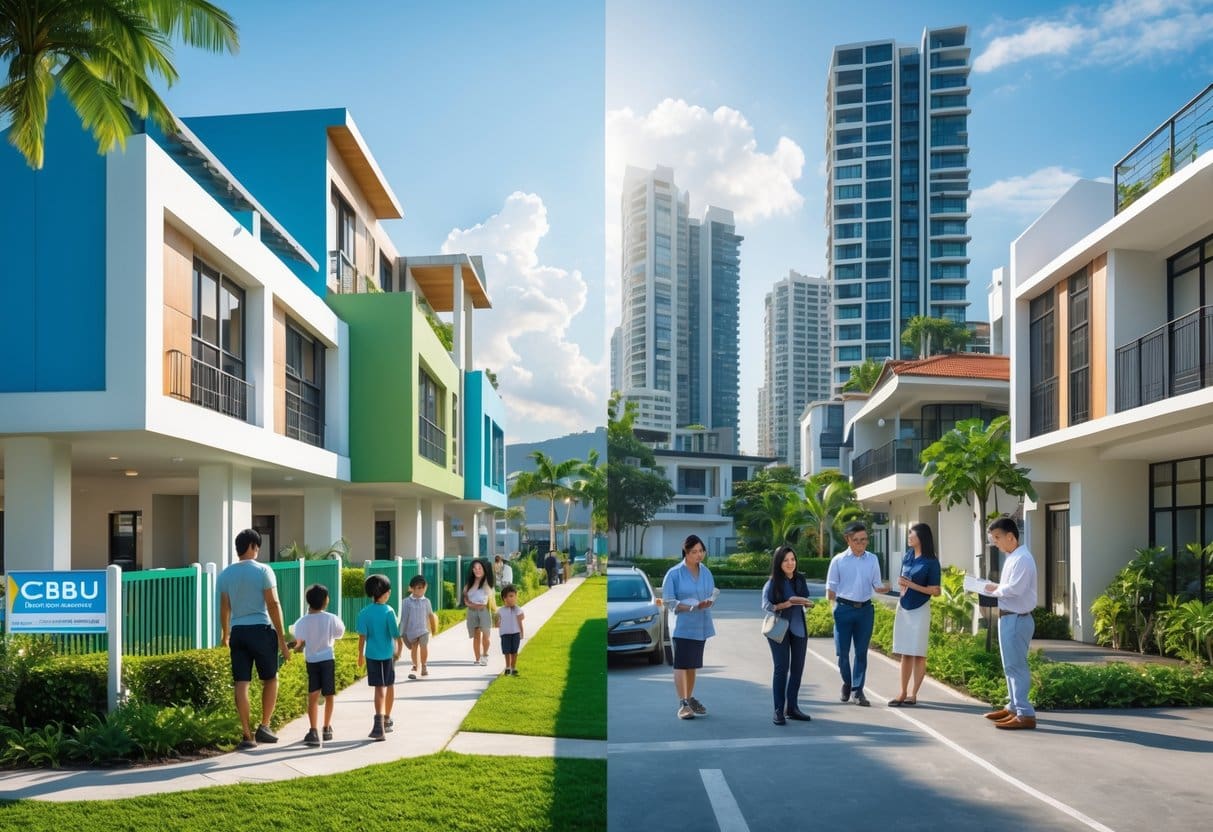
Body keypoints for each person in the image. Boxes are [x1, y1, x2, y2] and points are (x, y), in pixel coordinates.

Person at [218, 528, 291, 750]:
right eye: (257, 546)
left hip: (238, 632)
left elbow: (225, 608)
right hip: (261, 629)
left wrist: (225, 634)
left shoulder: (225, 574)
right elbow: (273, 604)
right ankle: (265, 726)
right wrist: (281, 637)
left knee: (242, 683)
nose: (258, 550)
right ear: (252, 546)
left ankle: (247, 735)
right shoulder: (263, 570)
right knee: (270, 678)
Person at [825, 521, 890, 707]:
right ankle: (847, 682)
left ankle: (858, 690)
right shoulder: (838, 560)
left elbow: (877, 585)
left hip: (865, 610)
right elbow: (831, 588)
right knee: (842, 653)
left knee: (861, 653)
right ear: (848, 540)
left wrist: (887, 588)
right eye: (857, 540)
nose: (862, 544)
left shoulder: (872, 559)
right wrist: (833, 609)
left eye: (864, 540)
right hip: (843, 610)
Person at [983, 517, 1039, 730]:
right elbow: (1009, 587)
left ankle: (1025, 713)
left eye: (997, 538)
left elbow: (1015, 589)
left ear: (1011, 536)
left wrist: (991, 590)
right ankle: (1013, 707)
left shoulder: (1022, 558)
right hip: (1009, 617)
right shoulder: (1014, 557)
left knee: (1017, 666)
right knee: (1010, 666)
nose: (995, 542)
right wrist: (994, 587)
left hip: (1017, 617)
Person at [660, 534, 717, 720]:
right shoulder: (674, 573)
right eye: (694, 552)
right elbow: (669, 601)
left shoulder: (706, 572)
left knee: (692, 665)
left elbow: (711, 594)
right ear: (686, 552)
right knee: (681, 664)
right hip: (681, 626)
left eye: (701, 551)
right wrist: (691, 606)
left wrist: (708, 602)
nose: (699, 555)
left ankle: (689, 698)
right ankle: (682, 704)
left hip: (700, 625)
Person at [888, 523, 942, 707]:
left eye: (912, 534)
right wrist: (902, 584)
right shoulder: (908, 556)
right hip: (903, 606)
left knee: (918, 653)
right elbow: (905, 579)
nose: (909, 536)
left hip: (920, 609)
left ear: (921, 538)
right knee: (905, 652)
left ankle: (913, 694)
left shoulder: (931, 562)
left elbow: (936, 591)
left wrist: (912, 585)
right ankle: (902, 692)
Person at [761, 545, 815, 725]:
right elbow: (766, 605)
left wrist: (807, 603)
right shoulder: (773, 582)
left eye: (793, 559)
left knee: (798, 669)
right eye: (786, 560)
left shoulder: (800, 579)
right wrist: (782, 605)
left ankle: (792, 707)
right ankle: (778, 710)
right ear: (779, 562)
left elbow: (805, 598)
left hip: (798, 627)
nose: (790, 563)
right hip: (778, 628)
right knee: (781, 668)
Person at [291, 583, 345, 746]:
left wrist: (296, 647)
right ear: (325, 600)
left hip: (312, 662)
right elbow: (340, 633)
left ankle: (313, 731)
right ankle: (327, 727)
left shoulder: (301, 622)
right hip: (328, 660)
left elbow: (299, 643)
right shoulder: (331, 618)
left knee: (313, 696)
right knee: (329, 695)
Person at [356, 574, 403, 741]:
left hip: (371, 655)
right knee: (388, 686)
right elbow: (396, 634)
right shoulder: (389, 611)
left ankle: (381, 721)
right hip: (386, 656)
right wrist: (399, 650)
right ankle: (384, 720)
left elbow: (362, 637)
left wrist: (359, 656)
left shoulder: (364, 612)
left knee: (378, 688)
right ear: (386, 593)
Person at [401, 575, 434, 680]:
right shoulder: (406, 602)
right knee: (414, 648)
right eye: (418, 588)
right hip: (411, 631)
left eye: (423, 587)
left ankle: (424, 666)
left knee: (424, 646)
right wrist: (402, 632)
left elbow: (430, 615)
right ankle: (415, 666)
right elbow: (404, 617)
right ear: (412, 588)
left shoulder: (426, 601)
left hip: (424, 630)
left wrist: (433, 629)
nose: (421, 590)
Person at [464, 558, 495, 666]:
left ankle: (485, 655)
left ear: (484, 569)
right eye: (474, 568)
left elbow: (483, 603)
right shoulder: (470, 583)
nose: (477, 570)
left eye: (479, 568)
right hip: (472, 613)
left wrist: (470, 604)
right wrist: (470, 604)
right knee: (476, 636)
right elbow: (465, 598)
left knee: (486, 636)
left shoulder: (487, 583)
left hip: (484, 612)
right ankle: (477, 659)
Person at [497, 583, 525, 676]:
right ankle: (508, 667)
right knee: (507, 651)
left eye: (514, 596)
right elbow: (497, 623)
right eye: (511, 596)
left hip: (516, 633)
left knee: (515, 651)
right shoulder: (501, 610)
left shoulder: (518, 609)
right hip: (505, 634)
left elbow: (521, 620)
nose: (513, 598)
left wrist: (521, 632)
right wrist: (497, 622)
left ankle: (513, 668)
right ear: (505, 598)